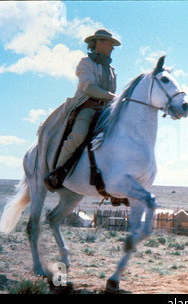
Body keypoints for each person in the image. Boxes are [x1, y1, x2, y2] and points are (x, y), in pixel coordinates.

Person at [44, 29, 121, 190]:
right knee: (78, 135)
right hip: (88, 107)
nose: (112, 47)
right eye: (109, 43)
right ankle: (57, 173)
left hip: (106, 111)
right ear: (98, 43)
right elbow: (89, 88)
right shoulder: (86, 63)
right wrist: (113, 97)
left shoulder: (112, 70)